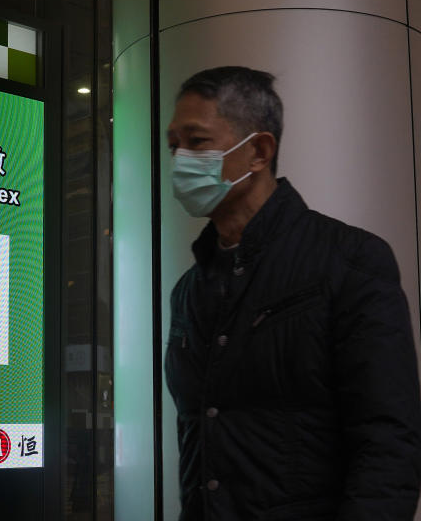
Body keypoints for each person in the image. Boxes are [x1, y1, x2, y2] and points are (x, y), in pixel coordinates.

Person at [164, 66, 421, 520]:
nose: (179, 158)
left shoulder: (350, 261)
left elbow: (388, 442)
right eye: (173, 145)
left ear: (259, 151)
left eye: (197, 141)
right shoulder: (190, 289)